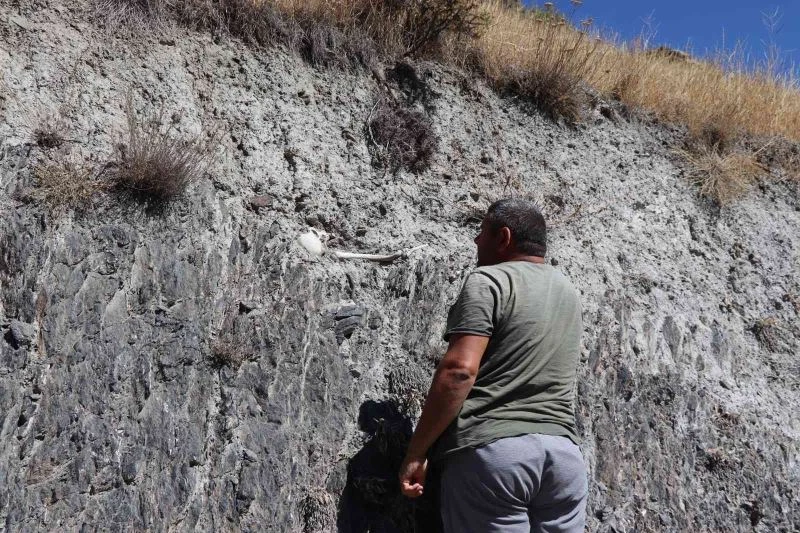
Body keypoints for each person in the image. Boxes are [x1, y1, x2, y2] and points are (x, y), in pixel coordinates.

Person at [398, 198, 588, 532]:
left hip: (496, 455)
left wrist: (417, 451)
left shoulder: (488, 282)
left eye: (481, 232)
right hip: (564, 460)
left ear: (503, 238)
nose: (475, 241)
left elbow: (459, 371)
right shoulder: (569, 292)